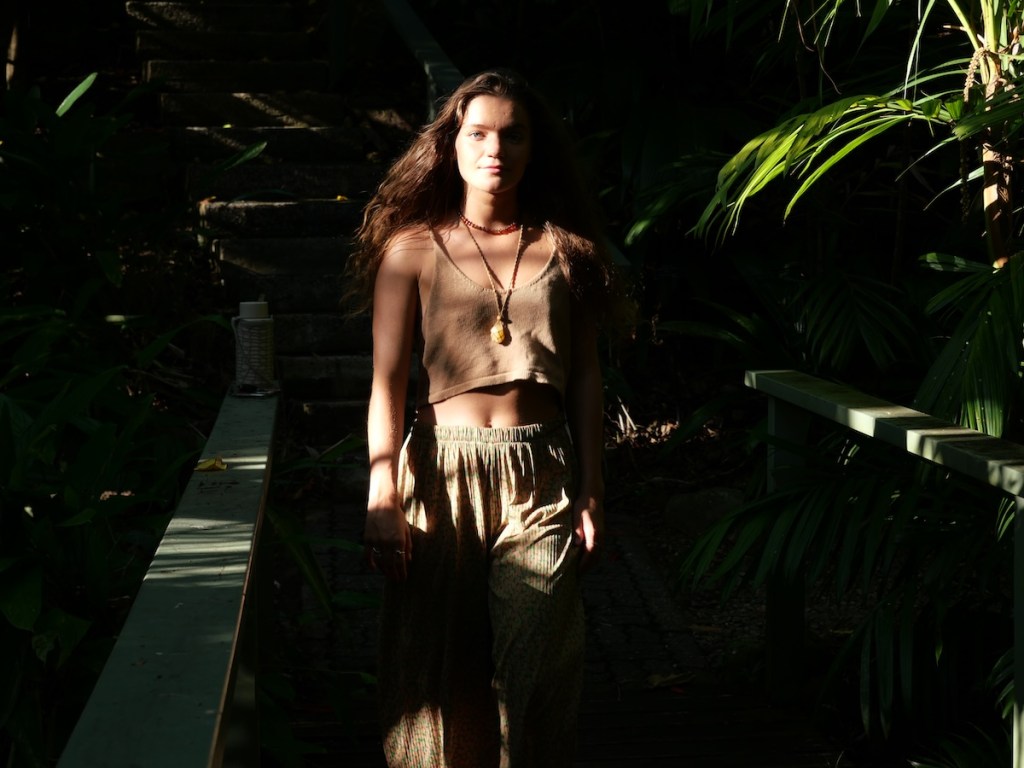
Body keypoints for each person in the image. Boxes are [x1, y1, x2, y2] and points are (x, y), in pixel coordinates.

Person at [346, 68, 624, 768]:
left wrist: (592, 486)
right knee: (442, 667)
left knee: (532, 650)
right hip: (442, 469)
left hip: (542, 470)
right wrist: (382, 492)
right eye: (478, 133)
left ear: (534, 148)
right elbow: (385, 384)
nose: (494, 148)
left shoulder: (569, 252)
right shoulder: (411, 250)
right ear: (452, 145)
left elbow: (586, 377)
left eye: (512, 134)